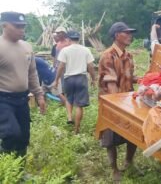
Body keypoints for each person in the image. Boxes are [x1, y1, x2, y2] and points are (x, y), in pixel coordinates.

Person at [0, 12, 46, 156]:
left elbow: (32, 73)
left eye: (23, 26)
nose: (22, 30)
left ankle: (19, 172)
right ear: (4, 26)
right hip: (3, 100)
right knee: (12, 133)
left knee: (24, 136)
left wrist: (39, 95)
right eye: (17, 26)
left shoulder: (27, 47)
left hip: (22, 99)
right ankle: (6, 166)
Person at [98, 22, 138, 183]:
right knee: (110, 137)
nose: (130, 35)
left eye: (130, 33)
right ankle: (114, 169)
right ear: (116, 35)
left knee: (134, 134)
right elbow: (111, 83)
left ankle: (129, 162)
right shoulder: (108, 56)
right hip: (112, 103)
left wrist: (142, 79)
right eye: (126, 33)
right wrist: (118, 106)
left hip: (128, 101)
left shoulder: (129, 56)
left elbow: (127, 77)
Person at [53, 31, 95, 134]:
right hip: (81, 78)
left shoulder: (65, 50)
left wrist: (56, 79)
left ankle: (69, 117)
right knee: (79, 105)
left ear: (68, 39)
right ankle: (76, 129)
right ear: (79, 39)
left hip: (69, 78)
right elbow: (90, 66)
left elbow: (61, 66)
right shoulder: (86, 50)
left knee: (68, 99)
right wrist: (94, 78)